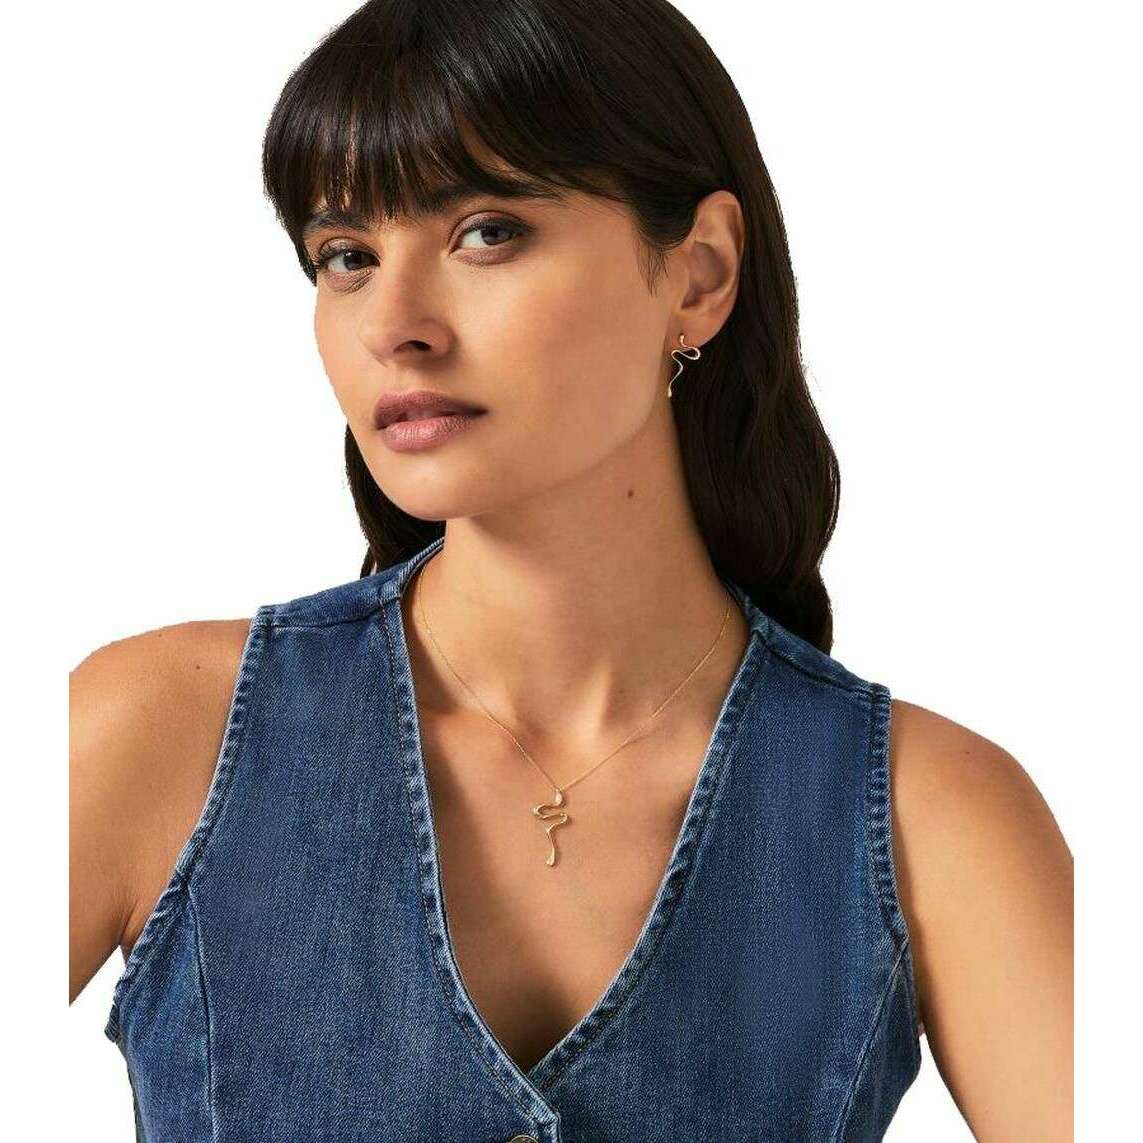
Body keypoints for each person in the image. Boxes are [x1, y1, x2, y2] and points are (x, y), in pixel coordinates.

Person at [69, 1, 1073, 1139]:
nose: (392, 323)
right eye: (347, 257)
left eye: (486, 232)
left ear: (697, 275)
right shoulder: (156, 734)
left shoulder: (930, 815)